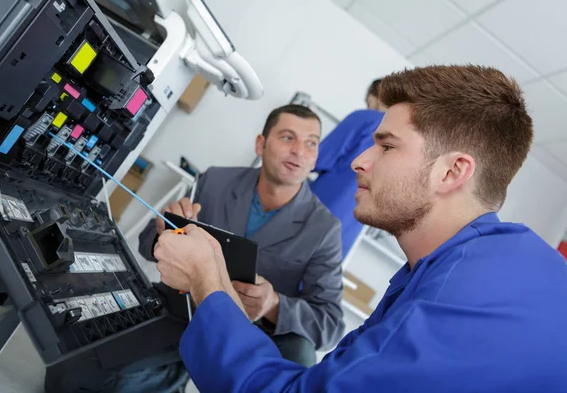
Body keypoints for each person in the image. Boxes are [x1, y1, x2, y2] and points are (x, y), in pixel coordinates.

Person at [153, 65, 567, 392]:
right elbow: (341, 368)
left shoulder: (452, 301)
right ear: (263, 144)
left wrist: (208, 282)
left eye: (386, 146)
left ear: (452, 172)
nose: (358, 162)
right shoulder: (448, 270)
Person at [139, 104, 346, 367]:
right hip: (184, 310)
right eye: (287, 137)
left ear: (315, 158)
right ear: (261, 144)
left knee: (300, 354)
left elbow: (330, 324)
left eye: (311, 143)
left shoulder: (324, 229)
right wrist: (167, 231)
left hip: (252, 334)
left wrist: (273, 304)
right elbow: (146, 243)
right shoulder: (215, 181)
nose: (299, 150)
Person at [311, 78, 386, 258]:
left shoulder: (365, 117)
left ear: (374, 97)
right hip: (351, 226)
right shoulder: (406, 141)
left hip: (321, 207)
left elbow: (319, 158)